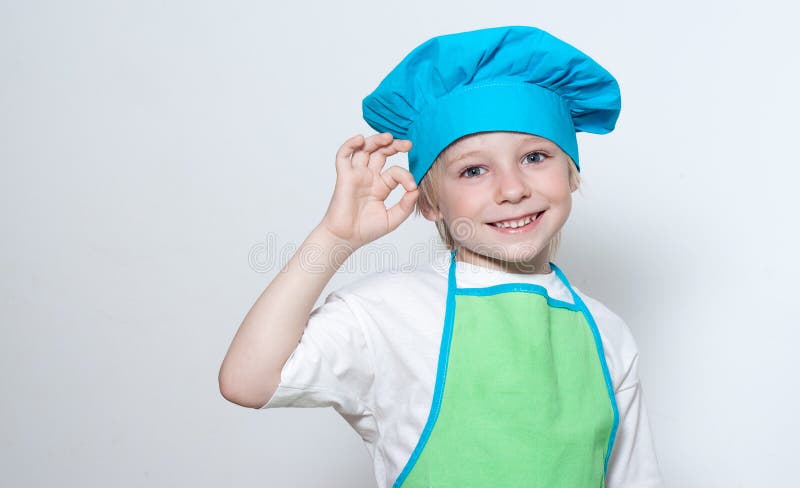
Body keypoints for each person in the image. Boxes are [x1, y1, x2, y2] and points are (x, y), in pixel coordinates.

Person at [219, 25, 665, 488]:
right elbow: (249, 381)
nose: (512, 189)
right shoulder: (392, 313)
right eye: (473, 170)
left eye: (535, 157)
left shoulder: (608, 335)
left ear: (571, 174)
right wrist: (335, 237)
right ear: (430, 205)